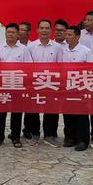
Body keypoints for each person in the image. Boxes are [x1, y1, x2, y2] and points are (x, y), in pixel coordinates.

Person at [0, 23, 32, 148]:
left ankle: (15, 137)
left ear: (18, 35)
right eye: (8, 32)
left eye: (13, 32)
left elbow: (28, 67)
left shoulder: (24, 49)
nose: (11, 34)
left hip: (18, 84)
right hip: (2, 84)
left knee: (17, 112)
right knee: (1, 112)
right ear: (5, 33)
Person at [26, 19, 62, 147]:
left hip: (51, 83)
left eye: (47, 28)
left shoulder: (57, 47)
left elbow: (60, 65)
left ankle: (50, 135)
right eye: (42, 28)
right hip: (35, 82)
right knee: (33, 110)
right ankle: (35, 134)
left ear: (51, 30)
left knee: (51, 110)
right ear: (37, 30)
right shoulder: (31, 46)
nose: (44, 30)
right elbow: (28, 66)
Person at [59, 26, 93, 151]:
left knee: (81, 115)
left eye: (70, 35)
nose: (67, 37)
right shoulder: (63, 50)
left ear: (77, 37)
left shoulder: (86, 51)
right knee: (68, 114)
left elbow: (91, 69)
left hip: (81, 86)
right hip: (67, 86)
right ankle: (70, 137)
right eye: (66, 34)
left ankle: (83, 140)